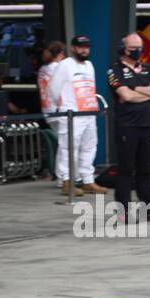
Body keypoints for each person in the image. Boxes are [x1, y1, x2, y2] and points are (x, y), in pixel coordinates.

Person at [106, 33, 150, 218]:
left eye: (140, 48)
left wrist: (136, 89)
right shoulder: (114, 70)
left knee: (145, 169)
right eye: (133, 49)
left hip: (147, 125)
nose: (137, 52)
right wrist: (147, 92)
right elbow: (126, 96)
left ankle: (147, 209)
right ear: (123, 49)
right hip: (127, 126)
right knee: (125, 169)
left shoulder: (148, 69)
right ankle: (122, 210)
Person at [47, 35, 105, 195]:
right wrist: (64, 106)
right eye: (80, 47)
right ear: (73, 48)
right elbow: (53, 89)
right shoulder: (65, 65)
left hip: (88, 112)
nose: (84, 50)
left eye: (86, 47)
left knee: (89, 146)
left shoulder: (90, 65)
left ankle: (88, 180)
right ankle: (67, 181)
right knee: (68, 148)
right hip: (71, 113)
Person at [37, 40, 66, 179]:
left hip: (47, 110)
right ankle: (63, 175)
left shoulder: (43, 69)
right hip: (59, 110)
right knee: (66, 145)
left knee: (60, 143)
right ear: (60, 54)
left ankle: (59, 173)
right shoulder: (58, 68)